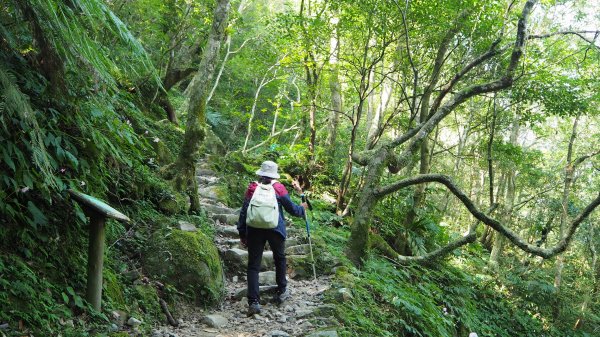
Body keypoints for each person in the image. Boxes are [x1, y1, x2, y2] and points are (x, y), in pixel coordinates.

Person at [237, 160, 307, 316]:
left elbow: (244, 211)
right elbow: (292, 210)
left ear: (261, 174)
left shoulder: (252, 188)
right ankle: (282, 290)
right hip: (275, 229)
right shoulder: (279, 188)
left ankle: (254, 302)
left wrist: (242, 232)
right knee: (280, 259)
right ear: (274, 174)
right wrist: (302, 209)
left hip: (254, 229)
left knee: (253, 266)